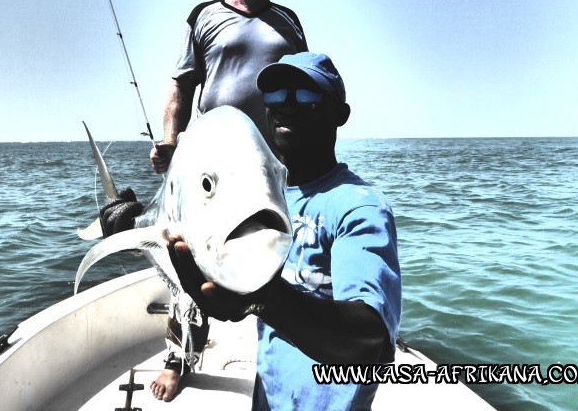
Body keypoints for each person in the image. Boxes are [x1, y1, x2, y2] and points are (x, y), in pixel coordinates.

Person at [166, 52, 402, 410]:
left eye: (306, 96)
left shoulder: (358, 207)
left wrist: (259, 299)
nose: (286, 106)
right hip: (268, 398)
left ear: (340, 114)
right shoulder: (264, 202)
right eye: (275, 96)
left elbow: (370, 342)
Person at [149, 0, 308, 174]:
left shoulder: (289, 19)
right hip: (215, 157)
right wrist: (171, 142)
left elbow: (310, 82)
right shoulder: (203, 15)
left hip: (279, 161)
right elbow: (182, 84)